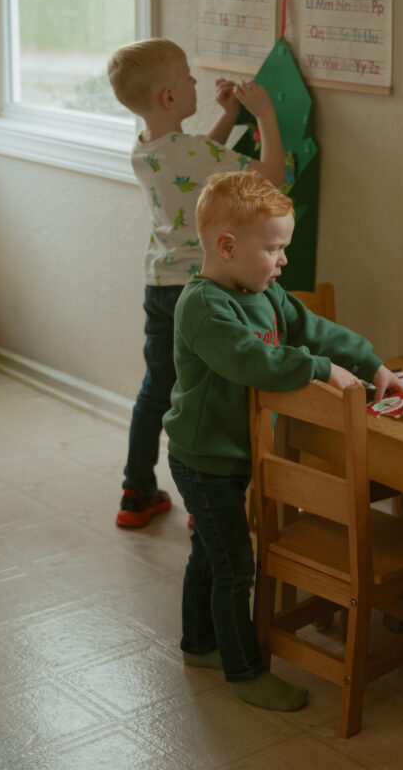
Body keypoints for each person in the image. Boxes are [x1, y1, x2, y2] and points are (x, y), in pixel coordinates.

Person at [163, 169, 401, 712]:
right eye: (274, 248)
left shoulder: (266, 294)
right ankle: (243, 672)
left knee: (211, 552)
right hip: (204, 459)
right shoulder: (203, 306)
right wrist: (322, 370)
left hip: (234, 455)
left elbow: (316, 329)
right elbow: (254, 361)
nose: (283, 260)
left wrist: (371, 363)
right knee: (234, 565)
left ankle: (199, 643)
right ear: (227, 247)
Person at [107, 38, 284, 528]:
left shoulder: (147, 148)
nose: (194, 84)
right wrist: (264, 116)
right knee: (209, 392)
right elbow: (269, 178)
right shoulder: (193, 152)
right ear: (168, 97)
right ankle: (209, 498)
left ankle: (136, 490)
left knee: (157, 388)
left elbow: (194, 168)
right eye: (187, 78)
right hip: (199, 293)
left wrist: (227, 115)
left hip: (158, 286)